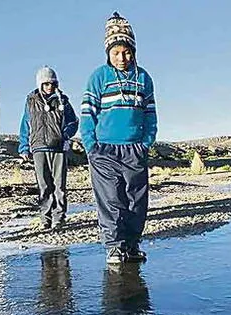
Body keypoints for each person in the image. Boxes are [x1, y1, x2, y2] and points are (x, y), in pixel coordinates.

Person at [80, 12, 158, 264]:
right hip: (104, 150)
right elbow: (87, 114)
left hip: (134, 149)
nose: (122, 58)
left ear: (133, 51)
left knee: (137, 200)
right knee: (111, 200)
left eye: (126, 52)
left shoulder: (144, 78)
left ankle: (133, 244)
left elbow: (151, 115)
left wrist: (146, 142)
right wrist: (91, 145)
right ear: (108, 54)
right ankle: (115, 246)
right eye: (116, 53)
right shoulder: (98, 77)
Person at [19, 66, 79, 229]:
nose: (49, 87)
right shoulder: (31, 100)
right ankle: (45, 217)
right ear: (40, 84)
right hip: (38, 147)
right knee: (44, 185)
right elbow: (25, 124)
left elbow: (73, 122)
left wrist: (64, 135)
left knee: (59, 185)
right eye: (46, 84)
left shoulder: (63, 100)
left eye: (52, 83)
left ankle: (59, 216)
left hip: (58, 148)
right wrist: (24, 147)